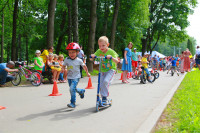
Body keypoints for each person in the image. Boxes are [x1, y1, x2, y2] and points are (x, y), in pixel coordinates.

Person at [91, 36, 119, 105]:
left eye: (103, 45)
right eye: (100, 46)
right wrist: (92, 57)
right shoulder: (99, 51)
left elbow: (117, 61)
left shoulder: (111, 52)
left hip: (111, 70)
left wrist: (111, 57)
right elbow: (92, 59)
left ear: (107, 45)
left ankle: (105, 97)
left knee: (106, 81)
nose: (101, 47)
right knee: (100, 84)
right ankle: (103, 97)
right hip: (102, 70)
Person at [62, 42, 90, 108]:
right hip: (69, 77)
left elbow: (84, 66)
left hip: (76, 77)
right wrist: (62, 69)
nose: (71, 54)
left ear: (77, 52)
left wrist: (87, 72)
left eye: (73, 52)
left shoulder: (79, 60)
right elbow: (63, 65)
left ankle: (72, 103)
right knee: (73, 89)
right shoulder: (67, 59)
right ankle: (81, 91)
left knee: (72, 89)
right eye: (70, 52)